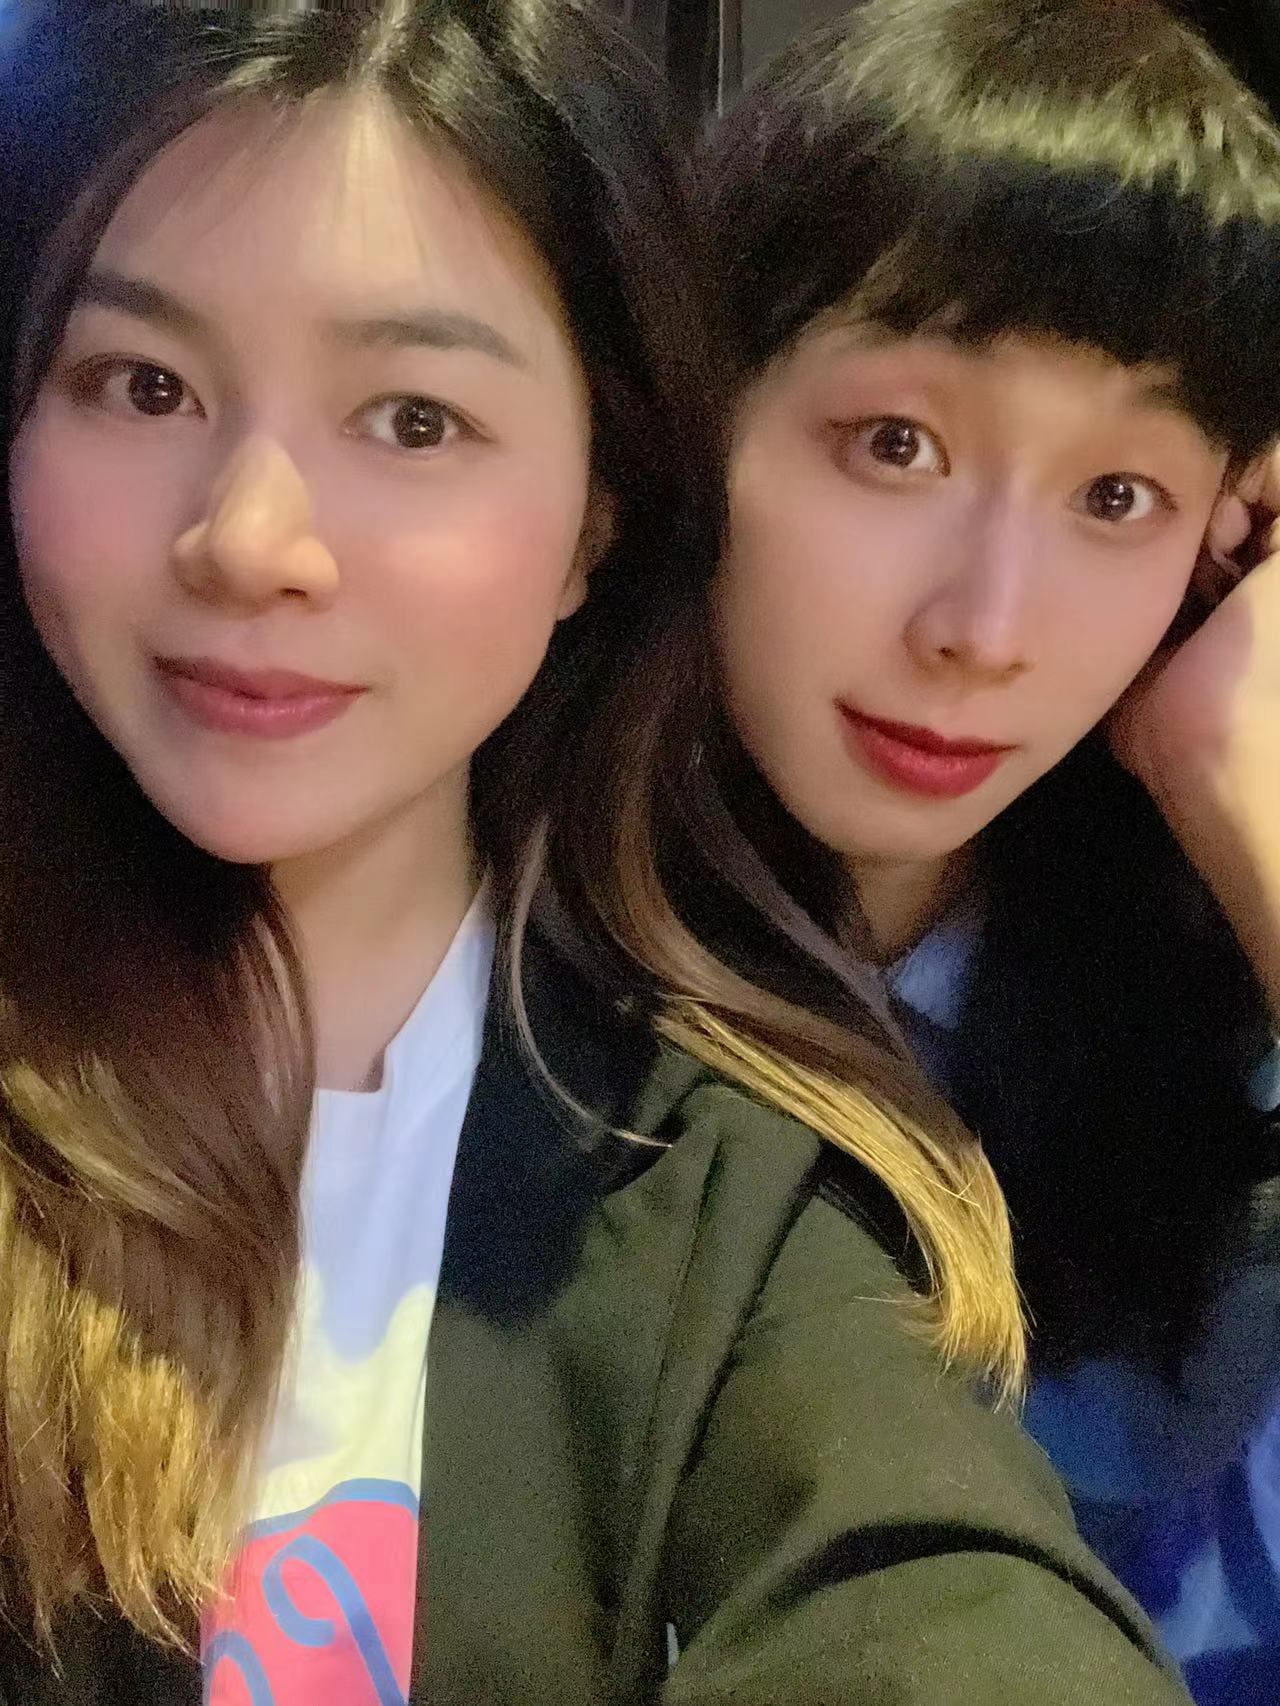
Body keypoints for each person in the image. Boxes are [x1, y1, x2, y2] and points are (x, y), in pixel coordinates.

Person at [0, 1, 1195, 1701]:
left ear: (597, 516)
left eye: (413, 418)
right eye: (142, 383)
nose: (250, 538)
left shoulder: (726, 1187)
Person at [703, 0, 1280, 1699]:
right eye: (898, 444)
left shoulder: (1211, 1000)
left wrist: (1244, 797)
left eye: (1117, 496)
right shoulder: (473, 975)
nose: (988, 630)